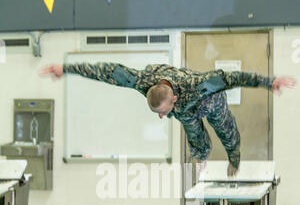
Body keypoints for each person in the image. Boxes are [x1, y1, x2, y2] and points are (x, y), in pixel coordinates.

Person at [39, 62, 296, 177]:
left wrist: (269, 82)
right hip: (186, 112)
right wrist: (67, 69)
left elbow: (234, 77)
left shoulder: (199, 84)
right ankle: (202, 158)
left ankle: (234, 161)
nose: (162, 117)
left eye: (162, 112)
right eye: (158, 113)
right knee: (197, 141)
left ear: (172, 98)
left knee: (228, 135)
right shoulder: (141, 81)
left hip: (209, 102)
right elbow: (106, 71)